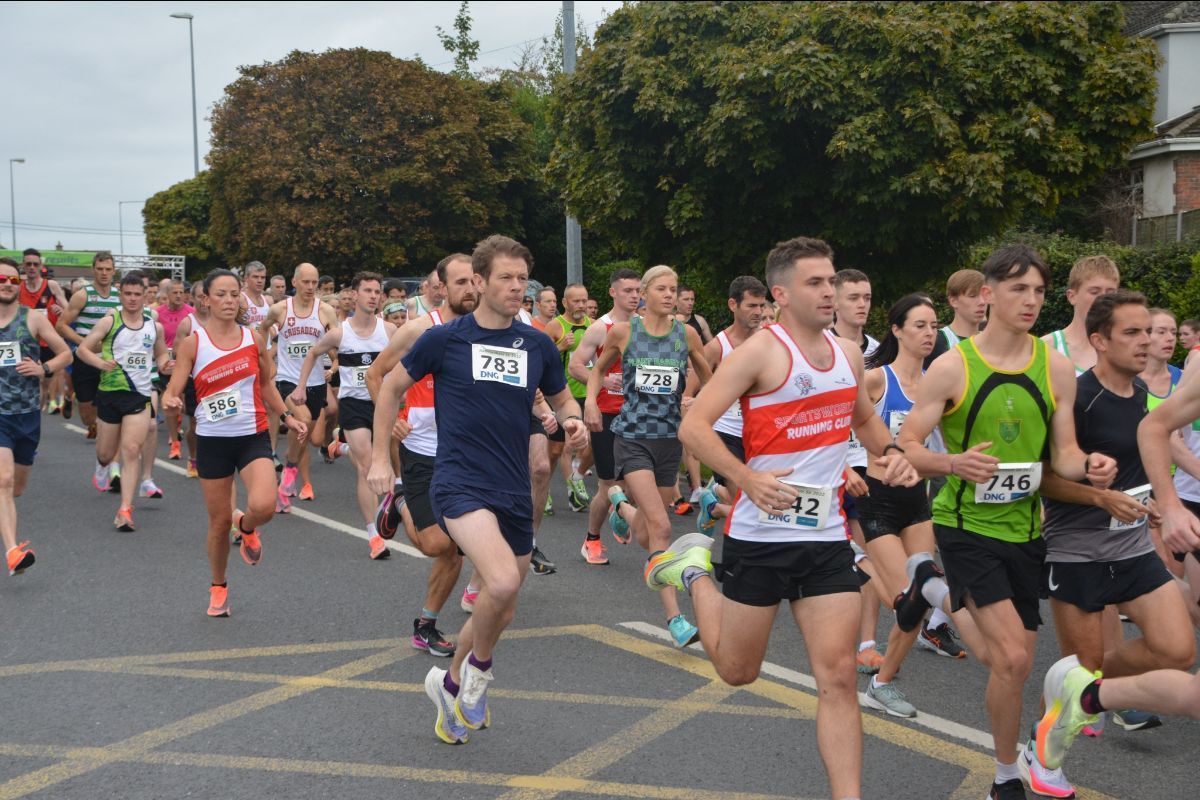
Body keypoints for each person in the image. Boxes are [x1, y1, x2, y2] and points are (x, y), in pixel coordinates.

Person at [648, 236, 919, 800]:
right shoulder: (761, 352)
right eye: (816, 283)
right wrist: (746, 479)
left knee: (839, 678)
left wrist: (892, 458)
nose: (830, 292)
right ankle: (696, 571)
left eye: (832, 281)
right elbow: (693, 428)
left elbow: (866, 425)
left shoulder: (848, 356)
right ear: (781, 293)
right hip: (760, 537)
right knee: (737, 672)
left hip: (825, 539)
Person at [896, 243, 1117, 800]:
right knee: (1016, 657)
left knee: (1008, 665)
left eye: (1039, 291)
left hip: (1026, 530)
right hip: (965, 525)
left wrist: (1088, 466)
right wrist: (954, 463)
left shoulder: (1057, 366)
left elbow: (1062, 455)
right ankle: (1003, 778)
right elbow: (907, 445)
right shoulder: (953, 366)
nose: (1031, 301)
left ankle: (933, 589)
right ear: (988, 294)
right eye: (1019, 289)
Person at [366, 234, 587, 745]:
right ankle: (478, 677)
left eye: (521, 279)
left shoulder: (535, 344)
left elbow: (560, 402)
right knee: (503, 584)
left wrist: (570, 422)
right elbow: (391, 386)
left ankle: (448, 683)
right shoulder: (445, 338)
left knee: (499, 604)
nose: (516, 287)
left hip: (513, 487)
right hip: (459, 481)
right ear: (481, 282)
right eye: (505, 278)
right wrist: (381, 457)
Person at [1028, 290, 1193, 797]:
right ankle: (1042, 756)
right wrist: (1101, 500)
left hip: (1133, 547)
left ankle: (1098, 690)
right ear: (1099, 341)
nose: (1146, 342)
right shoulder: (1077, 398)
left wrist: (1160, 505)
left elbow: (1150, 459)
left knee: (1178, 648)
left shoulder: (1145, 395)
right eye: (1132, 333)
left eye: (1149, 331)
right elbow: (1043, 478)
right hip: (1077, 549)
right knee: (1080, 673)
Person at [853, 294, 983, 719]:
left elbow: (937, 448)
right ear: (896, 330)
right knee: (902, 598)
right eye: (919, 326)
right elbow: (841, 429)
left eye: (933, 326)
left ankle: (882, 683)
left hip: (918, 500)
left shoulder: (938, 386)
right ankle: (854, 561)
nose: (929, 334)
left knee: (919, 599)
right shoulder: (877, 380)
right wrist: (844, 471)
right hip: (877, 499)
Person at [163, 269, 306, 617]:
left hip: (252, 434)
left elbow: (268, 385)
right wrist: (170, 399)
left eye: (233, 294)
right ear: (206, 300)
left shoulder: (253, 339)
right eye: (221, 295)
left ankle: (246, 527)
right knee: (216, 521)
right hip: (212, 440)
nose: (229, 301)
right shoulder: (193, 344)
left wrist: (286, 416)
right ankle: (218, 586)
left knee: (265, 505)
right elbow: (175, 386)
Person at [585, 265, 714, 648]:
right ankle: (675, 618)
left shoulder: (685, 334)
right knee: (659, 527)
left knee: (645, 526)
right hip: (633, 438)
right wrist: (591, 400)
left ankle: (619, 504)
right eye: (662, 289)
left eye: (674, 289)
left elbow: (710, 377)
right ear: (644, 293)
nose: (670, 295)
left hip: (669, 441)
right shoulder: (625, 332)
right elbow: (597, 370)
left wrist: (697, 401)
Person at [367, 254, 477, 657]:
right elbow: (375, 375)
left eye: (473, 281)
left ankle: (426, 625)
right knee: (435, 544)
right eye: (460, 282)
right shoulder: (418, 330)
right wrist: (392, 416)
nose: (469, 289)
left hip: (468, 454)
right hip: (423, 449)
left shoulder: (488, 332)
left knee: (457, 547)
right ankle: (397, 501)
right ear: (441, 289)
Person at [295, 271, 395, 559]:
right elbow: (313, 353)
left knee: (386, 461)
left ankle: (342, 444)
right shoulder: (341, 333)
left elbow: (410, 357)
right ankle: (374, 535)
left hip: (383, 404)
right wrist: (302, 385)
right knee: (367, 466)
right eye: (368, 291)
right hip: (354, 404)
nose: (373, 296)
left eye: (377, 291)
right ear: (354, 294)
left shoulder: (389, 331)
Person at [76, 272, 170, 531]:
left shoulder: (154, 326)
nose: (132, 299)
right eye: (127, 294)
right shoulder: (109, 322)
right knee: (107, 454)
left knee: (131, 450)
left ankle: (125, 510)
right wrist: (100, 363)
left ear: (145, 295)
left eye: (137, 294)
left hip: (139, 395)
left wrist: (167, 364)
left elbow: (160, 356)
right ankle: (102, 463)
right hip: (109, 394)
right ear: (121, 294)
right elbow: (83, 349)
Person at [0, 258, 72, 575]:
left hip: (27, 414)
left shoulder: (33, 319)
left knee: (16, 487)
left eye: (13, 281)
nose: (6, 284)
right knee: (3, 480)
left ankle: (6, 518)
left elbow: (65, 353)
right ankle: (13, 551)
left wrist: (42, 369)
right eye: (2, 279)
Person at [569, 268, 641, 570]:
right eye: (628, 291)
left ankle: (619, 510)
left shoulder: (645, 326)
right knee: (607, 484)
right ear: (613, 292)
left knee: (638, 483)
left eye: (638, 290)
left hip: (640, 414)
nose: (635, 296)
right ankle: (592, 538)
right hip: (608, 415)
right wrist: (599, 382)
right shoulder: (601, 328)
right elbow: (575, 366)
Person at [694, 275, 769, 533]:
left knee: (759, 501)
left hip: (761, 434)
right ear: (733, 305)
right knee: (747, 500)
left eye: (762, 306)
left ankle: (714, 504)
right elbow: (690, 387)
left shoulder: (772, 343)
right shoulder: (717, 347)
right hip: (725, 433)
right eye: (751, 306)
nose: (758, 312)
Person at [259, 263, 338, 508]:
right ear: (295, 282)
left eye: (315, 282)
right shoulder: (280, 309)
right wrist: (263, 361)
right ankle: (288, 479)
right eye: (306, 282)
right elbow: (262, 330)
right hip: (287, 380)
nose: (311, 287)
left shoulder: (325, 311)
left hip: (316, 384)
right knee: (301, 422)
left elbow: (337, 344)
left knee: (309, 437)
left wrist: (335, 364)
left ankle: (289, 470)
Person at [56, 251, 122, 441]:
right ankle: (92, 424)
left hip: (111, 358)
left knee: (109, 402)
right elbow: (61, 325)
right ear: (93, 270)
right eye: (100, 269)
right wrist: (84, 344)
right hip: (85, 357)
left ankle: (106, 433)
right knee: (86, 412)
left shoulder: (120, 296)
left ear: (113, 271)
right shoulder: (82, 295)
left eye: (108, 269)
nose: (104, 273)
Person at [542, 284, 592, 521]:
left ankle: (576, 481)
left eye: (584, 301)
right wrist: (560, 346)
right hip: (562, 397)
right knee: (556, 449)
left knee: (588, 444)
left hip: (588, 393)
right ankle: (544, 489)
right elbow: (538, 356)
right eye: (576, 301)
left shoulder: (593, 326)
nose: (581, 305)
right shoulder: (555, 326)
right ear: (565, 303)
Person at [1041, 255, 1120, 375]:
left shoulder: (1124, 350)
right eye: (1094, 292)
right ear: (1072, 297)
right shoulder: (1046, 348)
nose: (1103, 298)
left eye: (1111, 292)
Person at [18, 249, 68, 414]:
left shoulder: (51, 286)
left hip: (49, 339)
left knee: (49, 378)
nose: (32, 267)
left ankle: (52, 399)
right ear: (23, 266)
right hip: (28, 342)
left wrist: (61, 311)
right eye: (28, 264)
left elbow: (69, 310)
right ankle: (36, 409)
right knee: (36, 380)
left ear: (41, 266)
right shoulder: (18, 289)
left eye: (35, 264)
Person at [156, 281, 195, 460]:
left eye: (181, 292)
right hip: (168, 364)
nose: (179, 295)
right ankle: (175, 441)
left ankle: (182, 425)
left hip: (188, 363)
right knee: (170, 402)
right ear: (167, 294)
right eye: (175, 292)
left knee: (186, 404)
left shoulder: (190, 313)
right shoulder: (158, 313)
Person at [924, 269, 986, 369]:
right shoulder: (936, 341)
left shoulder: (992, 342)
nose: (982, 302)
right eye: (973, 296)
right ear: (953, 301)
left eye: (984, 296)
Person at [240, 262, 272, 329]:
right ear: (246, 278)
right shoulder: (241, 299)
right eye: (255, 277)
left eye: (263, 277)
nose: (259, 281)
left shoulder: (268, 300)